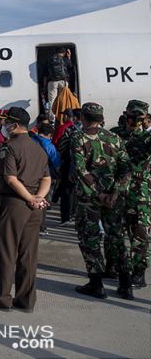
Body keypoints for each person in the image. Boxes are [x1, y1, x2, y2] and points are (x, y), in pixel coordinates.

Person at [0, 107, 51, 313]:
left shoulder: (9, 147)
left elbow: (10, 178)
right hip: (35, 208)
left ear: (15, 124)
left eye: (6, 122)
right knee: (28, 254)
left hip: (14, 204)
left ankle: (2, 298)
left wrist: (29, 197)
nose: (4, 125)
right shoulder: (38, 147)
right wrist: (38, 198)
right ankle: (26, 300)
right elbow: (47, 178)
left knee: (5, 252)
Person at [70, 102, 133, 300]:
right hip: (114, 199)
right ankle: (125, 285)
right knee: (117, 238)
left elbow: (81, 169)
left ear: (83, 118)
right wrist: (115, 192)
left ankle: (96, 284)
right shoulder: (114, 138)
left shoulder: (78, 137)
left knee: (90, 239)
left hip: (89, 198)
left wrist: (99, 194)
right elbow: (126, 168)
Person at [114, 100, 151, 289]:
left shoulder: (147, 138)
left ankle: (138, 272)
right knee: (117, 232)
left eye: (138, 117)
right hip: (119, 193)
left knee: (140, 234)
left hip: (140, 195)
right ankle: (116, 268)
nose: (134, 120)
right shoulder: (116, 134)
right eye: (131, 116)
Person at [30, 123, 61, 236]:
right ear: (49, 134)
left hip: (29, 177)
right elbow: (56, 162)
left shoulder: (30, 141)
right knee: (42, 201)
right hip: (45, 178)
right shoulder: (49, 145)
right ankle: (41, 226)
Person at [55, 108, 82, 226]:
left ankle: (66, 217)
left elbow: (61, 146)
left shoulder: (69, 130)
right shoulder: (98, 132)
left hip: (70, 165)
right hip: (90, 168)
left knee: (67, 191)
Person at [44, 47, 73, 123]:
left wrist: (44, 86)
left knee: (52, 101)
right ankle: (63, 118)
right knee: (63, 100)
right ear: (64, 53)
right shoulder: (64, 59)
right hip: (63, 82)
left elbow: (45, 74)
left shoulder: (49, 60)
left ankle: (52, 119)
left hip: (52, 82)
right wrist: (69, 57)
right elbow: (71, 67)